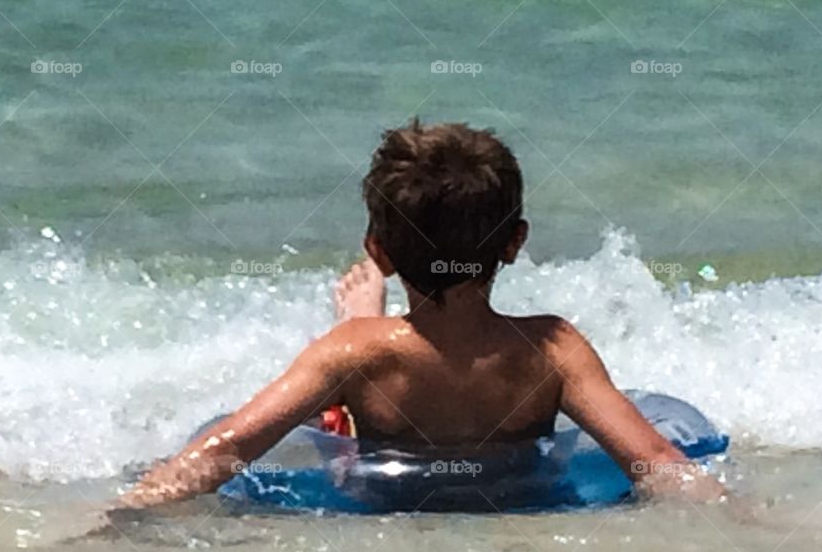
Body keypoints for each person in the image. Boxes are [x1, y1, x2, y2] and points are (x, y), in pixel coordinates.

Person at [118, 120, 725, 509]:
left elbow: (228, 447)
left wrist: (132, 508)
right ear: (514, 242)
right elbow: (659, 463)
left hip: (383, 494)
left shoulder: (354, 351)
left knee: (343, 399)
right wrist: (739, 518)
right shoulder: (552, 350)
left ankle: (368, 317)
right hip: (520, 492)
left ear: (378, 251)